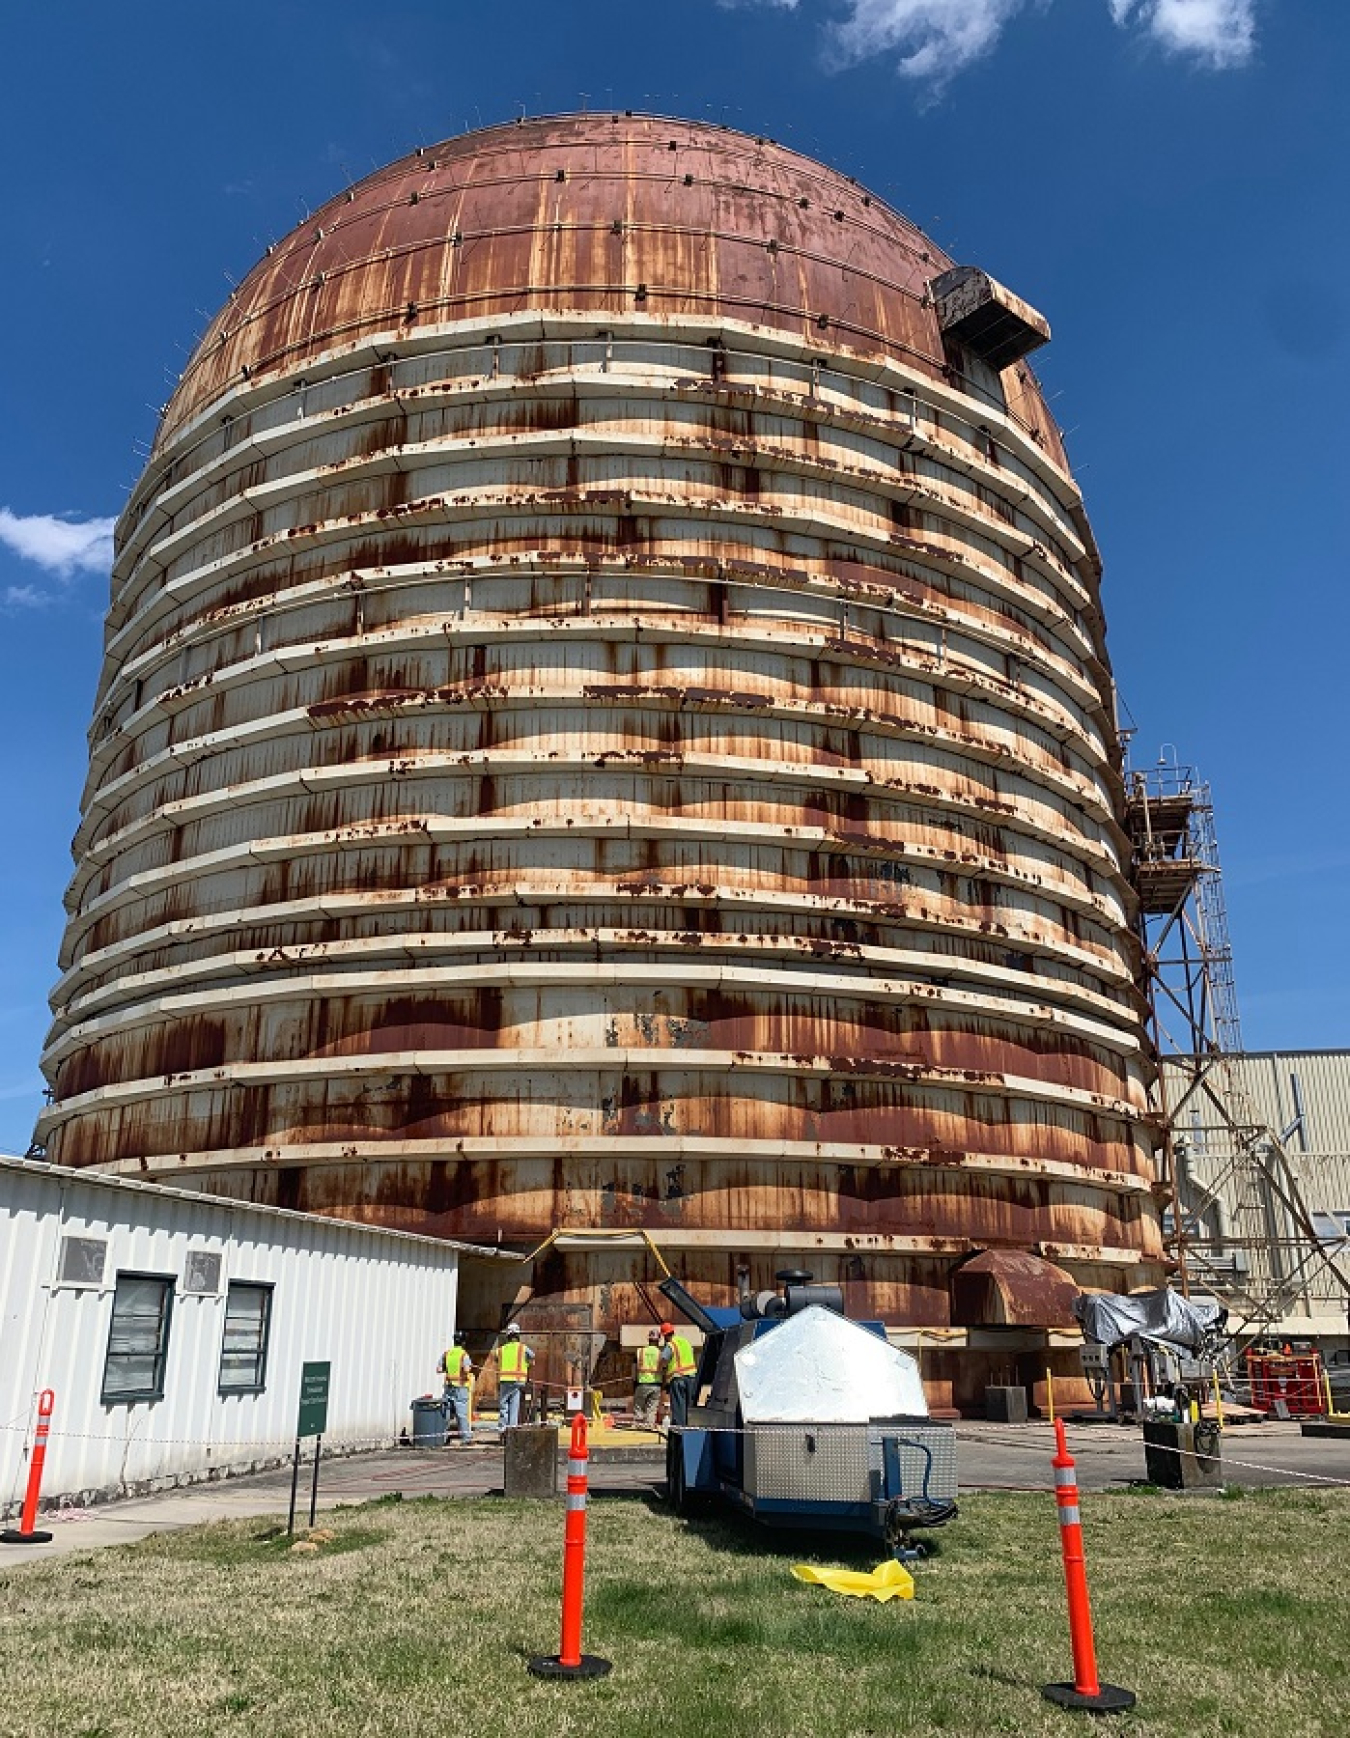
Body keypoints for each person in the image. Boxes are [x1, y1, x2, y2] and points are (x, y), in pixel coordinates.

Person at [497, 1322, 534, 1431]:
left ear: (508, 1336)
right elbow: (532, 1357)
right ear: (518, 1336)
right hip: (518, 1381)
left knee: (504, 1405)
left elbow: (495, 1357)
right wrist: (527, 1365)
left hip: (505, 1380)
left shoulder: (501, 1349)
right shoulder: (523, 1348)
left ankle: (502, 1430)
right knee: (514, 1406)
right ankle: (512, 1430)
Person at [660, 1320, 698, 1427]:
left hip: (678, 1380)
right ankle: (690, 1430)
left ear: (665, 1336)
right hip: (691, 1379)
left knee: (679, 1410)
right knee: (689, 1409)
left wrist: (662, 1368)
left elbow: (664, 1359)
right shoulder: (685, 1342)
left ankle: (680, 1436)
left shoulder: (670, 1344)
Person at [441, 1332, 474, 1446]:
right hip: (460, 1387)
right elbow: (467, 1370)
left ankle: (442, 1437)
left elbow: (439, 1369)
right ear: (463, 1342)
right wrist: (467, 1367)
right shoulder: (464, 1355)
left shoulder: (447, 1354)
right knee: (461, 1413)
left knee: (446, 1412)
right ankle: (466, 1438)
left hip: (448, 1387)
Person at [633, 1327, 663, 1430]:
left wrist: (634, 1382)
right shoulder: (661, 1353)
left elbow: (634, 1369)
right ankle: (649, 1426)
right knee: (652, 1409)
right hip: (656, 1385)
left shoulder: (640, 1352)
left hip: (642, 1383)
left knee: (639, 1406)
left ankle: (638, 1425)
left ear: (648, 1340)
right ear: (658, 1340)